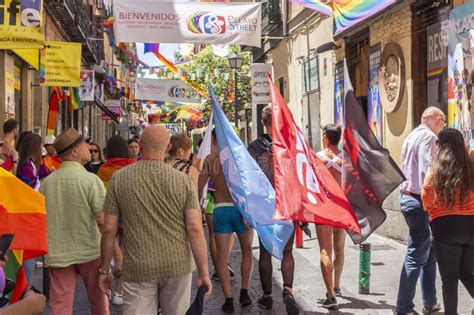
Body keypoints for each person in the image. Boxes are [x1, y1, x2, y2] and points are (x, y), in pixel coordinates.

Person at [99, 125, 212, 315]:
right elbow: (194, 228)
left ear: (140, 145)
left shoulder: (119, 179)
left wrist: (105, 270)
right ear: (168, 148)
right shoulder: (183, 180)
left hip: (138, 266)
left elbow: (109, 229)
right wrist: (204, 272)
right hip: (177, 264)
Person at [39, 128, 109, 315]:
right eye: (85, 144)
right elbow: (103, 221)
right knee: (99, 301)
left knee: (60, 305)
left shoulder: (48, 182)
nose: (89, 147)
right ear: (75, 152)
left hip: (58, 252)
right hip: (90, 250)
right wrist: (115, 255)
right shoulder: (90, 180)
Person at [247, 105, 299, 314]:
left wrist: (248, 209)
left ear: (262, 122)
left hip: (264, 205)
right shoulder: (289, 145)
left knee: (265, 252)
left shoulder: (254, 147)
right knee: (287, 251)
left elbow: (248, 179)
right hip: (286, 203)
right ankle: (287, 289)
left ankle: (267, 297)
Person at [396, 107, 445, 315]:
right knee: (416, 255)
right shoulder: (429, 137)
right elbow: (428, 171)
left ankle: (430, 302)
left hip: (408, 198)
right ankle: (404, 307)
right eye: (442, 122)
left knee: (429, 252)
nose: (442, 127)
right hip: (420, 202)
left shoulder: (411, 137)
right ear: (438, 119)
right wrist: (434, 203)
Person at [198, 130, 253, 313]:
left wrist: (199, 207)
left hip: (221, 209)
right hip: (241, 210)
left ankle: (228, 299)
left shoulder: (210, 160)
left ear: (213, 139)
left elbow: (199, 188)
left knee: (221, 258)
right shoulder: (240, 157)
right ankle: (244, 292)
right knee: (247, 251)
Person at [421, 128, 474, 315]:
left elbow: (426, 196)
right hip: (471, 224)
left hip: (445, 226)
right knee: (468, 272)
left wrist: (432, 208)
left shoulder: (436, 167)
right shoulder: (470, 165)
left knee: (449, 279)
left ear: (441, 145)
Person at [97, 135, 135, 305]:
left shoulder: (103, 170)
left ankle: (108, 281)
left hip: (109, 215)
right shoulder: (132, 168)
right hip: (128, 214)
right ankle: (120, 291)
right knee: (125, 252)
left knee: (111, 250)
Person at [314, 124, 346, 310]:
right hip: (341, 208)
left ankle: (330, 294)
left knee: (325, 250)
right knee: (339, 248)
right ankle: (337, 284)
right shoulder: (346, 160)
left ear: (325, 137)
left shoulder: (318, 159)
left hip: (325, 208)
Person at [16, 133, 45, 285]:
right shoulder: (27, 166)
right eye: (41, 145)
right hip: (28, 215)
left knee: (28, 255)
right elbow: (27, 190)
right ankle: (26, 289)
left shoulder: (30, 164)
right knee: (28, 254)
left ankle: (27, 287)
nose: (43, 148)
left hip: (29, 214)